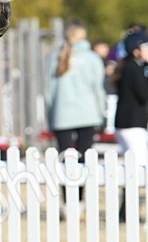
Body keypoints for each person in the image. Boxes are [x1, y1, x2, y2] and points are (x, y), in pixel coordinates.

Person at [44, 18, 106, 153]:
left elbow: (48, 93)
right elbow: (98, 90)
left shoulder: (54, 58)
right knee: (86, 160)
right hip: (88, 114)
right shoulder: (92, 58)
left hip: (62, 114)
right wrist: (101, 114)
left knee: (65, 160)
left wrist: (50, 117)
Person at [113, 29, 148, 162]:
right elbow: (144, 95)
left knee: (132, 165)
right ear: (136, 51)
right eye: (145, 48)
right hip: (132, 124)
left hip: (125, 123)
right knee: (139, 166)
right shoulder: (134, 68)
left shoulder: (126, 66)